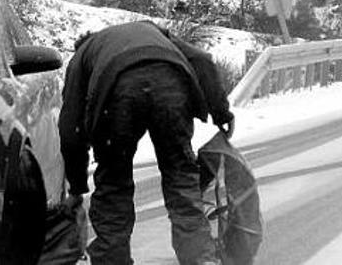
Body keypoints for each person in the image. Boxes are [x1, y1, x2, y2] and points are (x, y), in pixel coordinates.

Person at [59, 20, 234, 265]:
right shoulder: (151, 30)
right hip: (172, 83)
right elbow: (202, 60)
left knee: (114, 183)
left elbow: (70, 129)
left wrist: (76, 187)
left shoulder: (82, 57)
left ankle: (113, 259)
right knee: (181, 177)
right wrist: (221, 112)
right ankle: (200, 258)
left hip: (118, 92)